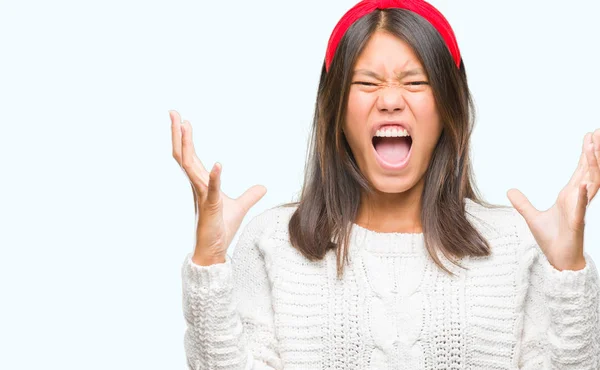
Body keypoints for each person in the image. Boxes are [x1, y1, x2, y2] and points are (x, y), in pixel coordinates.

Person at [171, 0, 600, 368]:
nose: (390, 100)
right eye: (366, 83)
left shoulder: (515, 245)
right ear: (335, 109)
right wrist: (209, 262)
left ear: (449, 107)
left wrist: (569, 270)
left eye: (415, 83)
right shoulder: (273, 243)